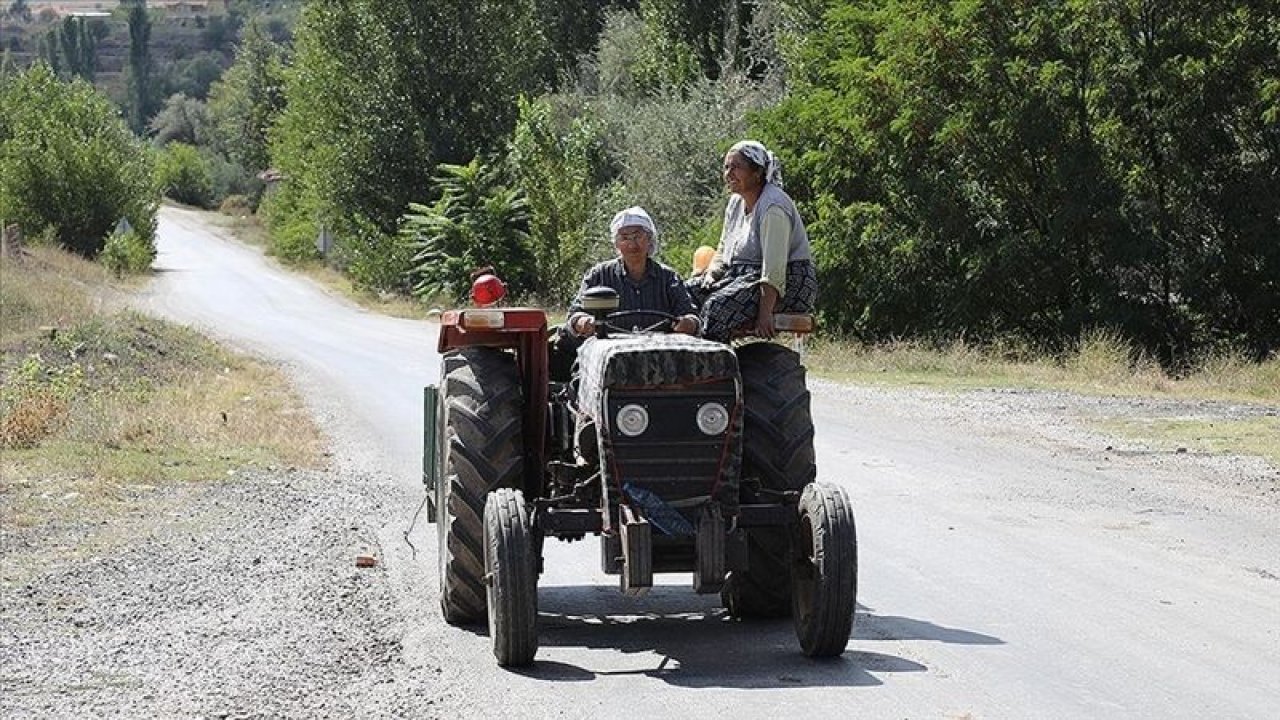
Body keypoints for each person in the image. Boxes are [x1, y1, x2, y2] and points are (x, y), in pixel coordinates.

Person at [688, 140, 817, 342]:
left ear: (757, 173)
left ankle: (712, 360)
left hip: (787, 281)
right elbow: (724, 247)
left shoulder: (773, 206)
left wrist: (765, 313)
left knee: (717, 307)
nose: (729, 174)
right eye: (726, 167)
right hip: (742, 276)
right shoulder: (735, 202)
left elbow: (773, 268)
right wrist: (711, 274)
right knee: (686, 293)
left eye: (736, 167)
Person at [564, 206, 700, 338]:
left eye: (637, 236)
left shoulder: (669, 278)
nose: (632, 245)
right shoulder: (599, 275)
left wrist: (687, 324)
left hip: (659, 351)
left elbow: (691, 316)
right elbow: (574, 315)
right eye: (624, 238)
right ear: (616, 244)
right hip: (610, 350)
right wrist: (583, 322)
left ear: (650, 239)